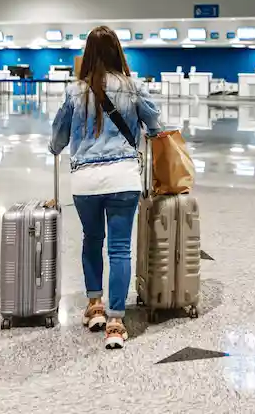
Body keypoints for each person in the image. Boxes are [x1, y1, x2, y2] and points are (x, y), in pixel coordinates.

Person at [50, 25, 161, 349]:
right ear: (117, 52)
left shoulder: (75, 91)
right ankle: (115, 321)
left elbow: (58, 138)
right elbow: (155, 125)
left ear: (88, 55)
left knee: (91, 240)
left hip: (85, 181)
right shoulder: (133, 86)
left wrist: (56, 149)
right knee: (119, 249)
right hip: (123, 177)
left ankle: (94, 304)